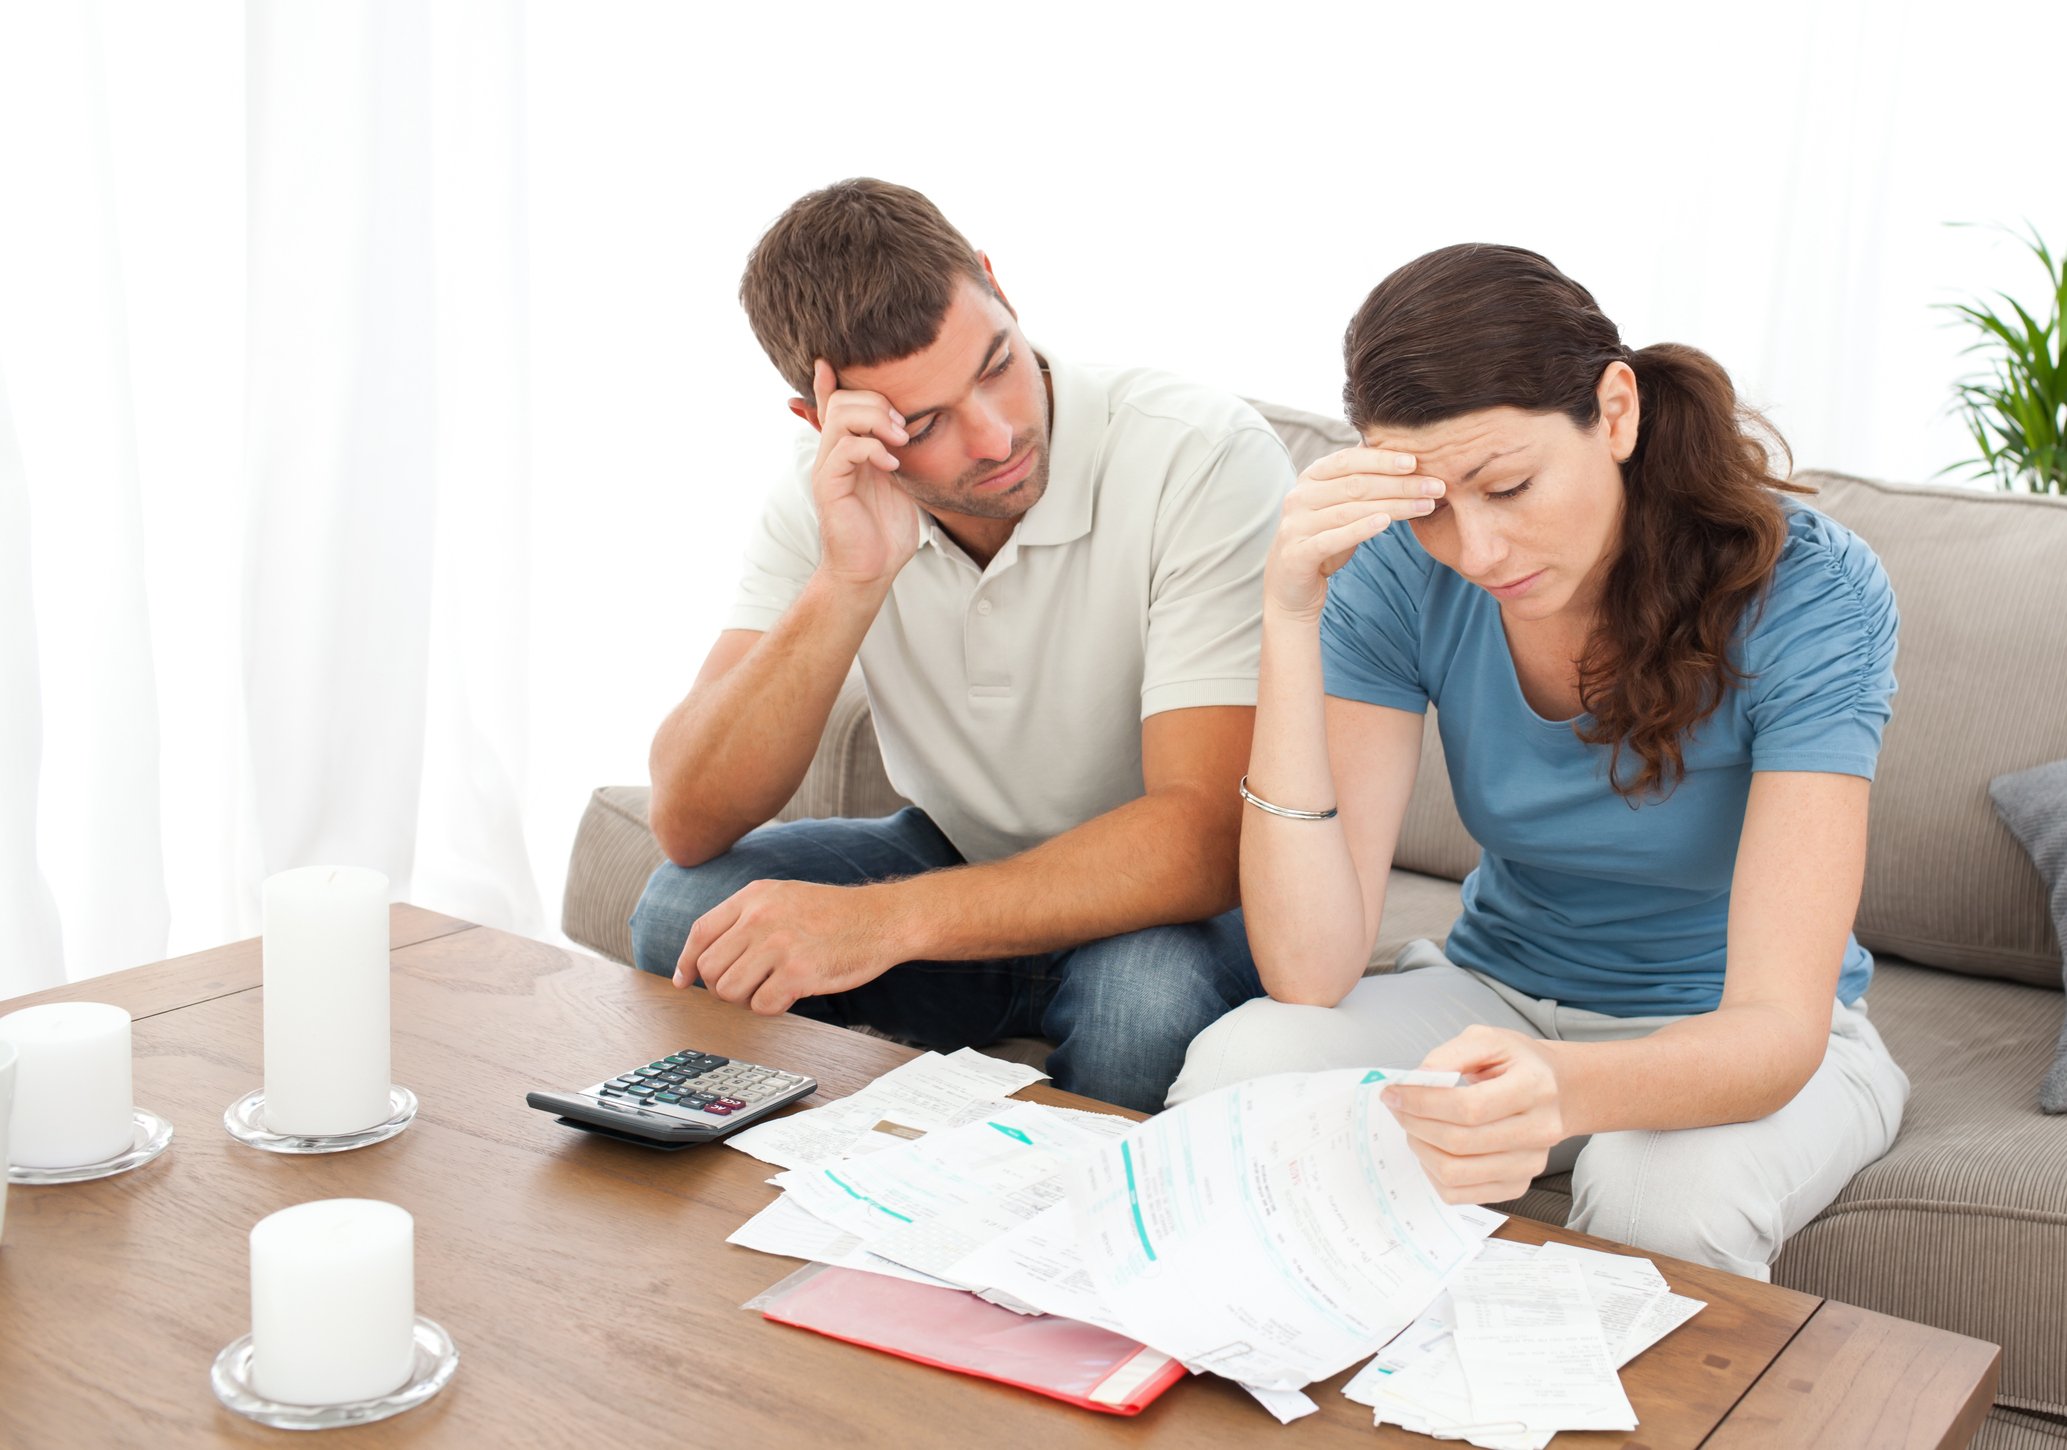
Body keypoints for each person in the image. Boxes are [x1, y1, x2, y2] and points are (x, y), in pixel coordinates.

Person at [1168, 243, 1909, 1278]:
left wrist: (1554, 1086)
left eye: (1508, 484)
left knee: (1662, 1198)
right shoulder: (1394, 570)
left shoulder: (1810, 591)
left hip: (1736, 1035)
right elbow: (1309, 968)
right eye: (1430, 505)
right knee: (1239, 1070)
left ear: (1614, 411)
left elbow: (1777, 1031)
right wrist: (1292, 616)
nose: (1477, 551)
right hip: (1498, 991)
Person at [629, 179, 1294, 1112]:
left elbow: (1203, 838)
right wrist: (847, 581)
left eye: (995, 365)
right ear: (828, 423)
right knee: (683, 915)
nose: (995, 436)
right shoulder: (826, 498)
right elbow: (688, 817)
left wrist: (884, 922)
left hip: (1175, 906)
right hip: (960, 856)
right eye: (927, 423)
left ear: (997, 285)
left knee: (1138, 1008)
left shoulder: (1198, 455)